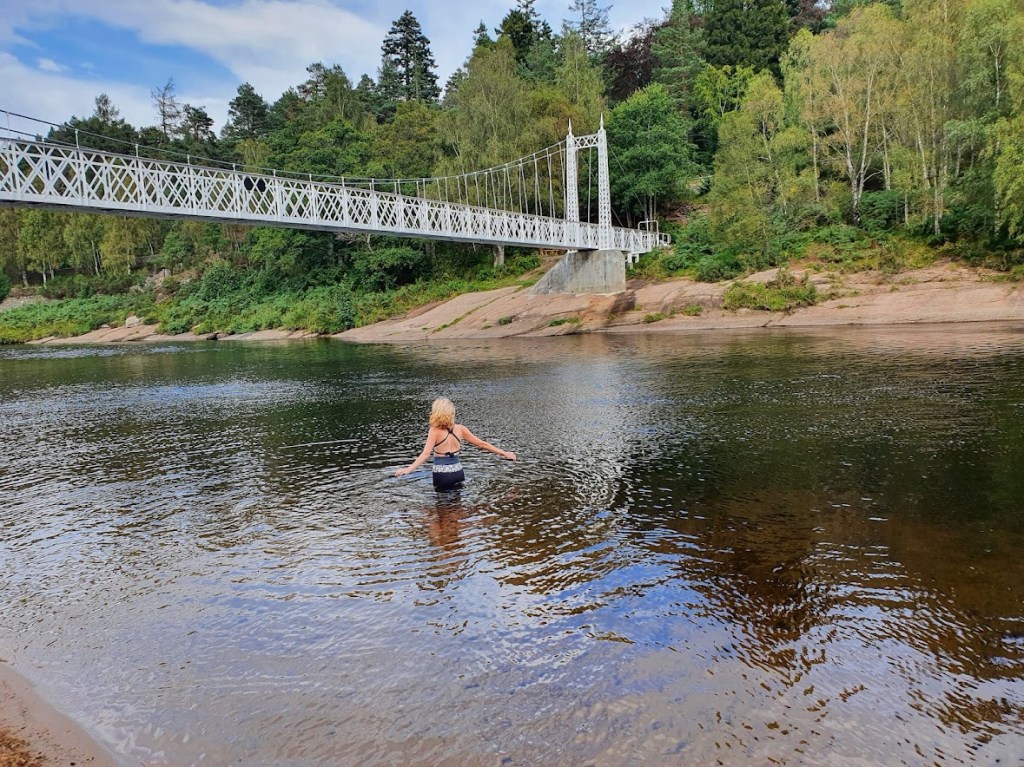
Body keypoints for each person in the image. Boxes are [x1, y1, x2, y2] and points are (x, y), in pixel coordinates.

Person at [395, 397, 516, 490]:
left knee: (441, 508)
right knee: (457, 506)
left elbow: (426, 454)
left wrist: (409, 469)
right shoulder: (460, 429)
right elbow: (482, 444)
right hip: (457, 472)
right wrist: (504, 453)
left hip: (441, 475)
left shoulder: (434, 431)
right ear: (452, 412)